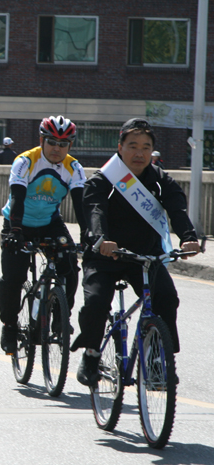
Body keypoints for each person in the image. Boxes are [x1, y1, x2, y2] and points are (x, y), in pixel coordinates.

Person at [72, 118, 200, 386]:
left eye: (145, 146)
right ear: (120, 147)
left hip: (144, 257)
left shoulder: (160, 179)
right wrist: (101, 239)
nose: (139, 153)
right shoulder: (103, 179)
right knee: (95, 303)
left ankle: (158, 357)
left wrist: (189, 238)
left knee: (166, 298)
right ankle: (92, 353)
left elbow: (176, 209)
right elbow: (95, 210)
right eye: (132, 146)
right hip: (105, 255)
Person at [0, 115, 87, 354]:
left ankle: (60, 316)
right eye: (52, 142)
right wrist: (15, 230)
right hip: (18, 221)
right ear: (41, 140)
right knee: (13, 277)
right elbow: (17, 196)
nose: (57, 148)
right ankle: (9, 326)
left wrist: (88, 235)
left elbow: (81, 206)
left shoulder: (74, 168)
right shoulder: (25, 161)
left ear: (70, 145)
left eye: (63, 143)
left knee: (69, 264)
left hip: (49, 222)